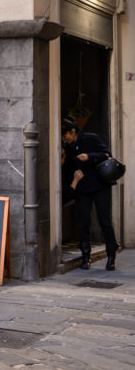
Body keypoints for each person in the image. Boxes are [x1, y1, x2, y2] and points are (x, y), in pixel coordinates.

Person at [61, 116, 118, 271]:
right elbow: (67, 169)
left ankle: (111, 254)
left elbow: (107, 155)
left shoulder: (91, 138)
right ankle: (85, 256)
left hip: (100, 186)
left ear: (73, 131)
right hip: (82, 189)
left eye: (65, 135)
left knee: (104, 220)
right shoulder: (67, 147)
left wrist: (89, 157)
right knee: (83, 222)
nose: (64, 139)